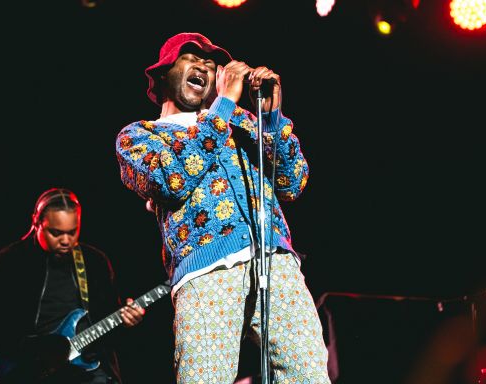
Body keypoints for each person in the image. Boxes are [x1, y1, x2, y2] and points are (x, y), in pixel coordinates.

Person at [115, 32, 331, 383]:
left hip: (276, 262)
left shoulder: (243, 122)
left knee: (309, 375)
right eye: (192, 59)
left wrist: (271, 118)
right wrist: (223, 108)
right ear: (163, 75)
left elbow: (293, 183)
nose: (204, 66)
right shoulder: (140, 135)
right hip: (206, 273)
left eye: (212, 65)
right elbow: (172, 180)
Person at [0, 188, 145, 384]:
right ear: (36, 223)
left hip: (86, 370)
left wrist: (127, 321)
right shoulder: (9, 262)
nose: (65, 241)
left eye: (72, 232)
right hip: (30, 370)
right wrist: (36, 348)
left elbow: (110, 333)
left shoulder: (94, 262)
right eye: (56, 233)